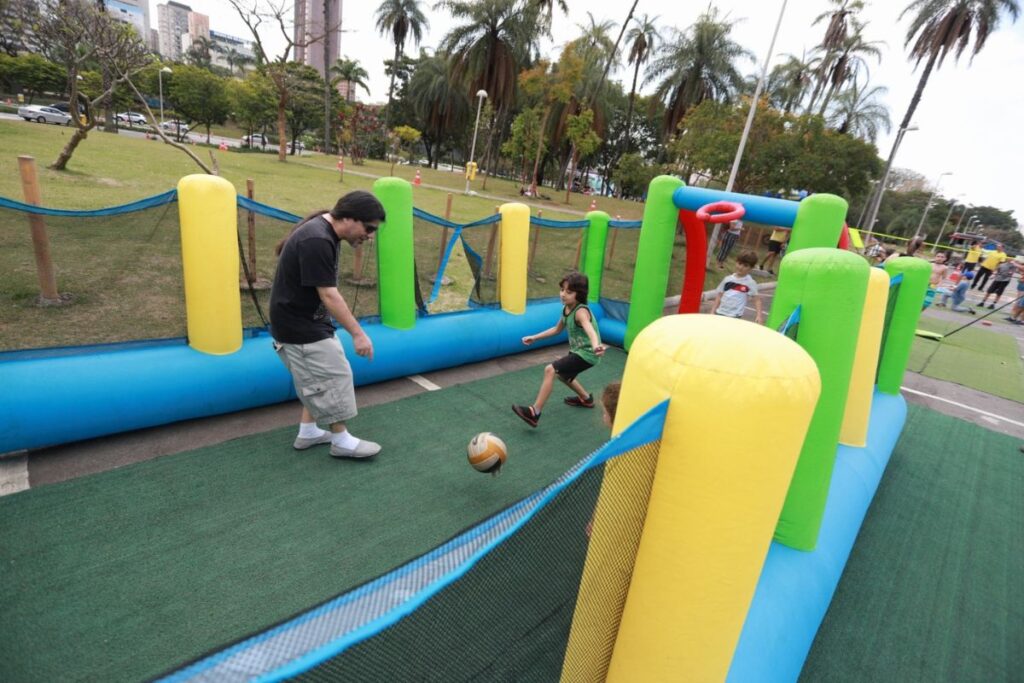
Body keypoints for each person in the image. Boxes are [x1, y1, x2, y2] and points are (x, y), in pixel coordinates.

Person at [269, 191, 386, 459]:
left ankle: (308, 432)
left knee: (317, 377)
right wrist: (358, 334)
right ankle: (341, 440)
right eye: (368, 228)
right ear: (348, 218)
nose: (370, 236)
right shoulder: (317, 239)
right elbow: (329, 294)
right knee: (335, 375)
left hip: (305, 321)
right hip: (297, 327)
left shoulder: (323, 232)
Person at [512, 272, 606, 428]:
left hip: (588, 354)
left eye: (569, 292)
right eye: (562, 289)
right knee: (563, 376)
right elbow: (556, 329)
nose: (563, 294)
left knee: (550, 370)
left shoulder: (581, 311)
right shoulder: (567, 309)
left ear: (579, 294)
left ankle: (534, 412)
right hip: (579, 351)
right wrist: (534, 337)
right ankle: (586, 399)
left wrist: (596, 345)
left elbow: (590, 330)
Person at [710, 250, 763, 323]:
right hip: (720, 312)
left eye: (745, 265)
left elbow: (757, 300)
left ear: (751, 268)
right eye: (740, 263)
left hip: (735, 316)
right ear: (736, 262)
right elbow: (719, 296)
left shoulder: (750, 282)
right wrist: (712, 311)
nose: (741, 267)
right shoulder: (727, 279)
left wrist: (759, 316)